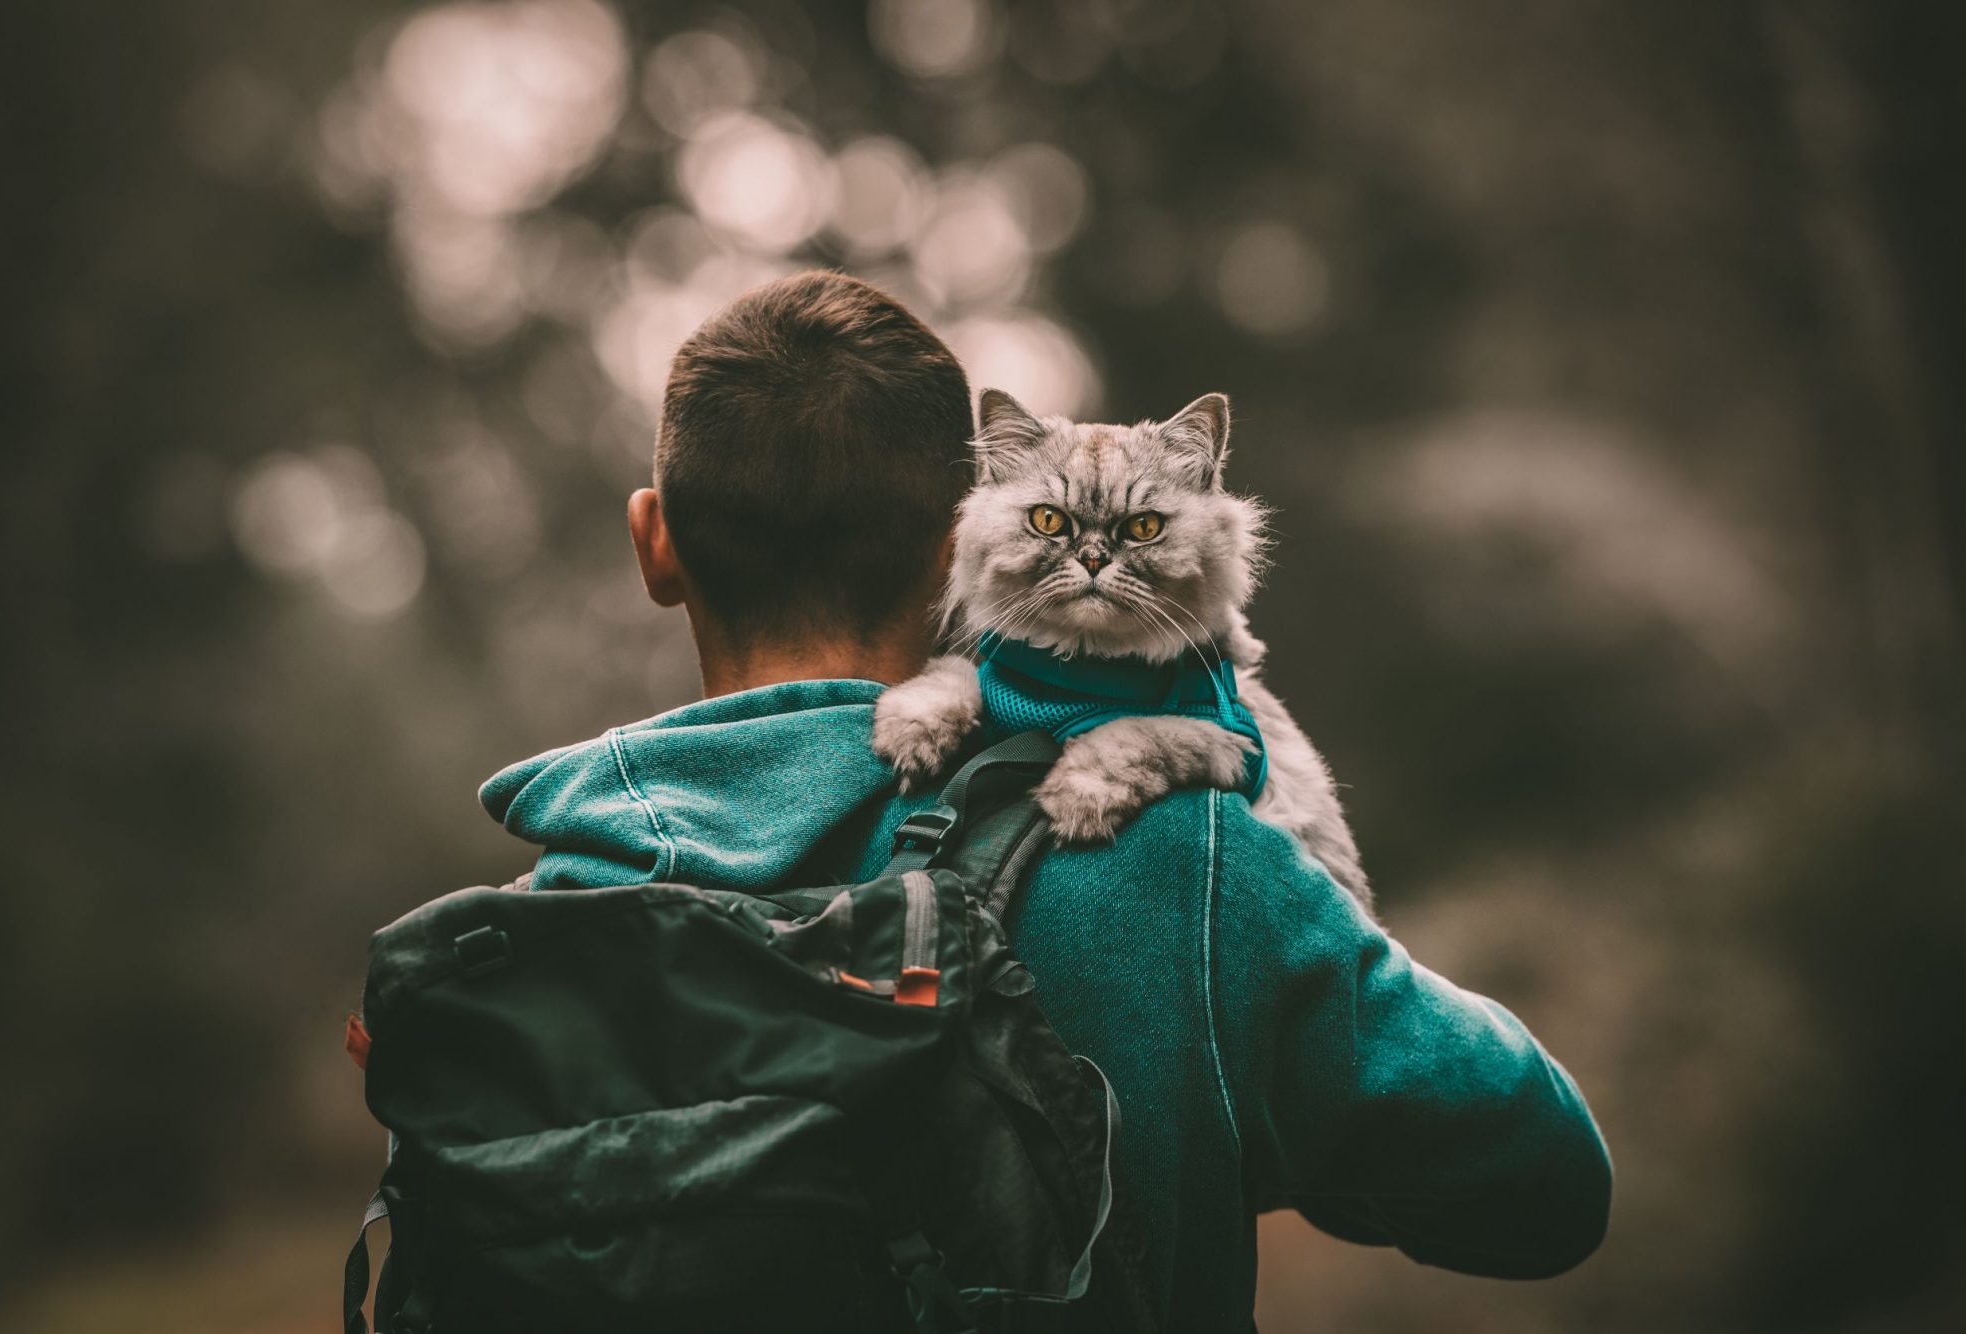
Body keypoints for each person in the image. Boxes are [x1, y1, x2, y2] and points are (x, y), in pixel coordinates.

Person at [478, 270, 1612, 1328]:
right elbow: (1548, 1181)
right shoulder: (1193, 864)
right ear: (952, 552)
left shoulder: (531, 925)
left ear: (652, 541)